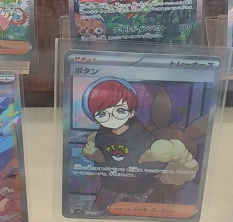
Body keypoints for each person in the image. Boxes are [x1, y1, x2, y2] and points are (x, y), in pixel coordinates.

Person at [81, 78, 198, 213]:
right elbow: (102, 163)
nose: (112, 118)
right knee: (96, 219)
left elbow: (155, 166)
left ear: (131, 112)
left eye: (120, 111)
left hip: (140, 193)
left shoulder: (144, 138)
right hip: (108, 190)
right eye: (102, 114)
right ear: (95, 117)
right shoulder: (101, 136)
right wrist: (98, 158)